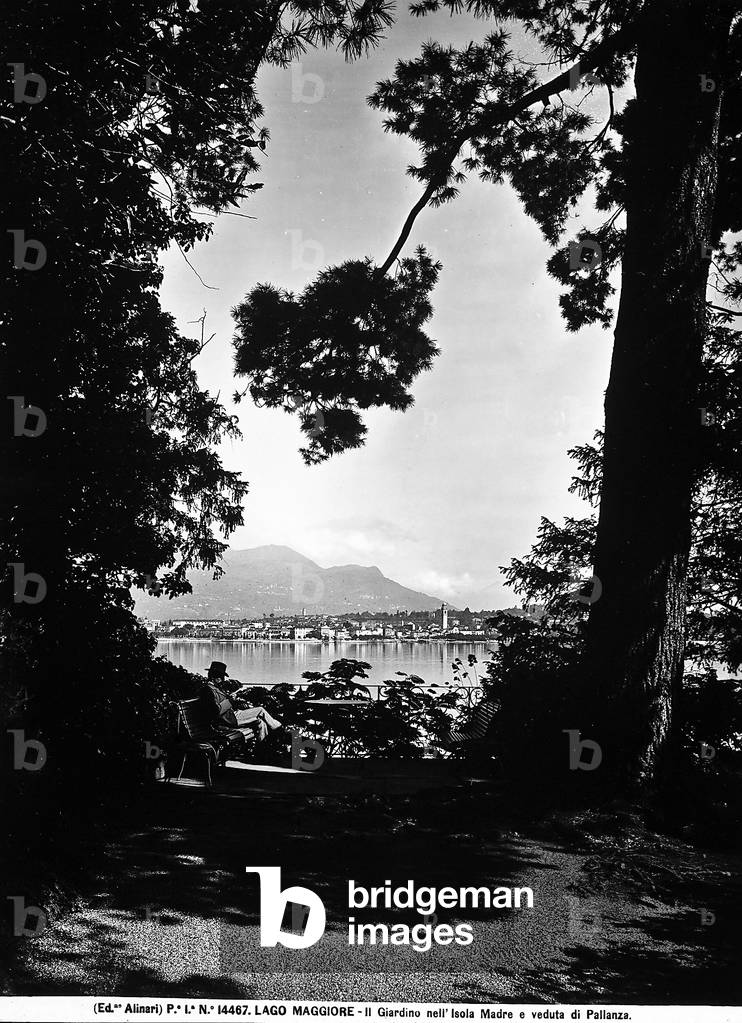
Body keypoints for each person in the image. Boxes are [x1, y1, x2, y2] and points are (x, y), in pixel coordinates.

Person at [201, 661, 283, 743]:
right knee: (260, 710)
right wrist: (230, 701)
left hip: (231, 715)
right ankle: (279, 729)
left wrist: (231, 699)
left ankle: (262, 748)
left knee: (261, 723)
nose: (222, 679)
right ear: (213, 677)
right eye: (220, 676)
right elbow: (215, 711)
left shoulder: (215, 688)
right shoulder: (208, 690)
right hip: (227, 720)